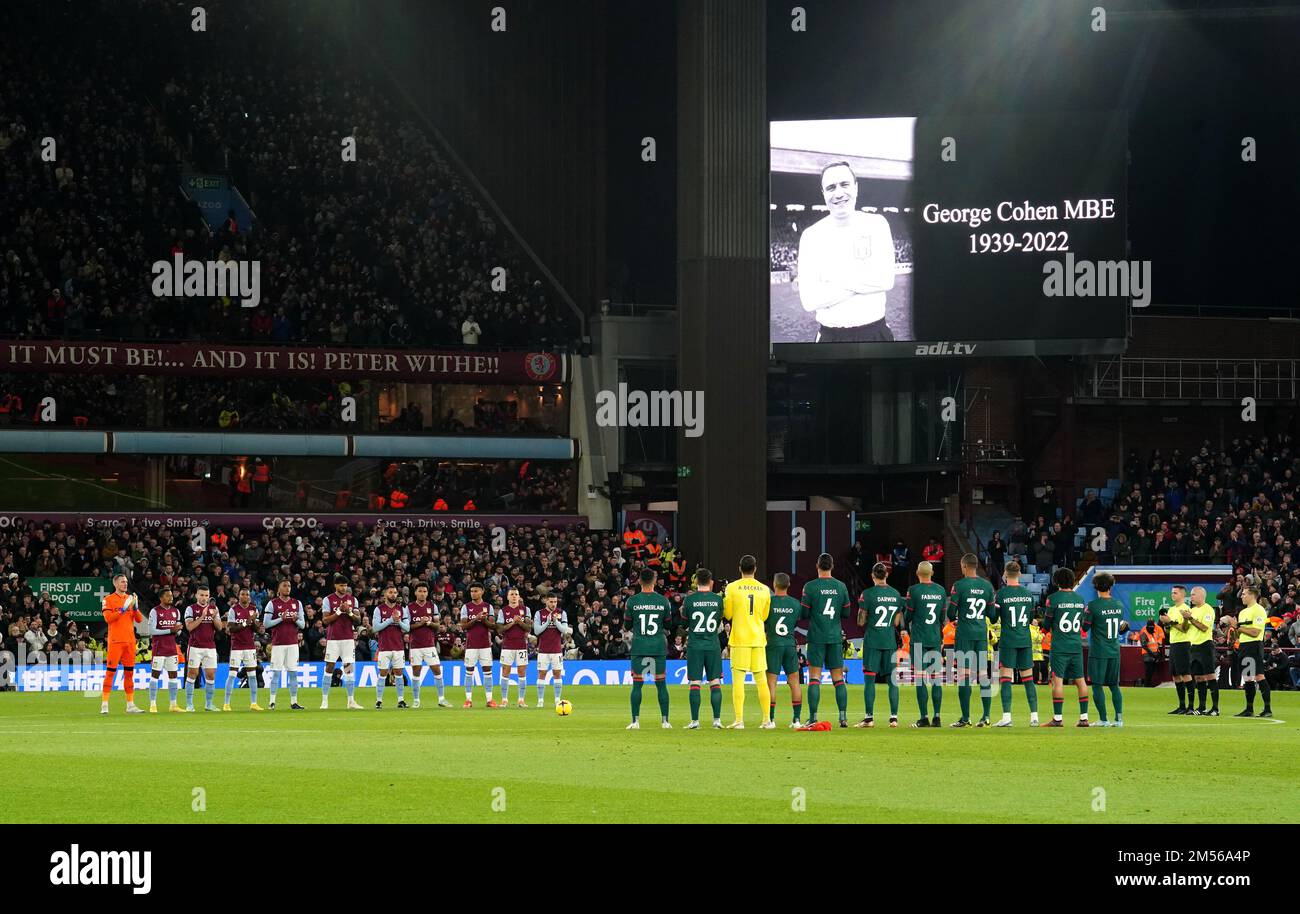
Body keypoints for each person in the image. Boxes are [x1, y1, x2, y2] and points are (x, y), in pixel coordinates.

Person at [797, 161, 897, 343]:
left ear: (856, 187)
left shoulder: (877, 224)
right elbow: (810, 301)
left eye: (844, 184)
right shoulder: (811, 236)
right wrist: (865, 277)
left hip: (876, 334)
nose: (838, 193)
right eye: (831, 187)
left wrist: (831, 279)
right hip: (830, 338)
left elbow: (886, 279)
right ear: (824, 194)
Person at [799, 553, 852, 727]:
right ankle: (843, 718)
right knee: (838, 679)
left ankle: (813, 717)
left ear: (817, 566)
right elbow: (846, 613)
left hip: (816, 637)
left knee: (814, 678)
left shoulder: (810, 587)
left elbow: (804, 613)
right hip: (835, 636)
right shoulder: (841, 586)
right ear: (832, 566)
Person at [946, 553, 996, 727]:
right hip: (981, 634)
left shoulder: (959, 585)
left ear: (964, 566)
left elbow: (951, 614)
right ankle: (986, 716)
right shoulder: (987, 586)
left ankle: (965, 718)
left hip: (965, 634)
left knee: (964, 676)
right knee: (983, 675)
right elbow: (992, 615)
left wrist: (958, 617)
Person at [722, 555, 772, 729]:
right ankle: (766, 720)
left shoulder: (732, 587)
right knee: (761, 680)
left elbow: (727, 614)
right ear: (755, 569)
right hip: (758, 638)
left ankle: (739, 720)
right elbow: (765, 616)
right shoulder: (765, 589)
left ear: (739, 568)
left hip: (740, 639)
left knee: (738, 681)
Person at [991, 562, 1039, 727]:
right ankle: (1034, 717)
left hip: (1008, 640)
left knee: (1005, 677)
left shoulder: (1001, 594)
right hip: (1024, 639)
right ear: (1019, 574)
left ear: (1005, 574)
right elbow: (1031, 616)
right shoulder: (1028, 594)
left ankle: (1007, 717)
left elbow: (993, 617)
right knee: (1028, 679)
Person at [855, 562, 902, 728]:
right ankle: (894, 718)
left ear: (872, 575)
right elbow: (896, 622)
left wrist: (865, 614)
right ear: (886, 575)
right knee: (892, 680)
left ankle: (869, 718)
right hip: (889, 641)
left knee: (869, 679)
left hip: (873, 641)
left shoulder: (867, 594)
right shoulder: (896, 594)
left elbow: (860, 622)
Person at [1042, 567, 1090, 727]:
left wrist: (1043, 629)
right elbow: (1082, 624)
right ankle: (1084, 718)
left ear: (1057, 581)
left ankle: (1057, 719)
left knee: (1058, 682)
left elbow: (1047, 623)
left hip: (1059, 646)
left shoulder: (1053, 598)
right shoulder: (1079, 599)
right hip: (1076, 645)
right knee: (1081, 681)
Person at [625, 568, 671, 729]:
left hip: (639, 646)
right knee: (661, 684)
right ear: (654, 580)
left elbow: (627, 625)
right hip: (658, 647)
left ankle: (635, 721)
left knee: (637, 684)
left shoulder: (632, 601)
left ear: (639, 581)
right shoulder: (663, 601)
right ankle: (665, 721)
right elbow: (668, 624)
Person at [904, 560, 946, 727]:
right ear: (932, 573)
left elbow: (908, 616)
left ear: (917, 573)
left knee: (921, 679)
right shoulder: (941, 590)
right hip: (935, 639)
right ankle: (937, 717)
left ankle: (924, 717)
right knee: (936, 679)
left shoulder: (913, 590)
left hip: (919, 639)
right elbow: (942, 618)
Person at [1083, 572, 1128, 727]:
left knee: (1097, 685)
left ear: (1095, 586)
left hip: (1098, 651)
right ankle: (1119, 719)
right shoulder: (1119, 605)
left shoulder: (1093, 606)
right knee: (1114, 685)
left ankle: (1103, 719)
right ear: (1111, 586)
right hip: (1114, 650)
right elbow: (1121, 627)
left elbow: (1085, 627)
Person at [683, 568, 725, 730]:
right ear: (711, 581)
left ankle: (695, 721)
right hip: (713, 645)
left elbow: (685, 622)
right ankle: (717, 721)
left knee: (695, 682)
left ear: (696, 582)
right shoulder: (717, 600)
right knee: (715, 682)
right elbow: (719, 618)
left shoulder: (689, 600)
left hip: (695, 645)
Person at [99, 573, 145, 715]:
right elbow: (108, 618)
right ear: (115, 584)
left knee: (129, 674)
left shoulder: (130, 599)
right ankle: (104, 704)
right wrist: (123, 609)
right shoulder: (108, 599)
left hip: (130, 642)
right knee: (110, 673)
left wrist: (135, 607)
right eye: (122, 582)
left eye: (126, 582)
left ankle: (130, 705)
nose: (125, 584)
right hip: (115, 642)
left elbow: (138, 620)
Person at [765, 572, 804, 729]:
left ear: (774, 585)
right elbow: (795, 622)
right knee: (794, 682)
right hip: (789, 644)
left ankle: (771, 720)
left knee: (771, 684)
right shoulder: (795, 604)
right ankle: (796, 720)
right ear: (788, 585)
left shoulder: (768, 602)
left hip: (773, 644)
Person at [320, 573, 363, 710]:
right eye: (341, 585)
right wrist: (339, 611)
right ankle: (324, 701)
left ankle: (351, 701)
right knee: (329, 668)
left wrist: (349, 612)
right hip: (333, 640)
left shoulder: (353, 600)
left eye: (345, 585)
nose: (343, 588)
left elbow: (358, 620)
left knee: (349, 669)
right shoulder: (328, 599)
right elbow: (325, 621)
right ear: (335, 586)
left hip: (348, 640)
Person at [405, 581, 450, 709]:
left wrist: (429, 623)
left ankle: (441, 699)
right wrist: (421, 623)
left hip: (430, 645)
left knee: (436, 669)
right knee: (416, 672)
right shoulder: (409, 607)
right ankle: (416, 700)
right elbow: (407, 627)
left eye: (424, 591)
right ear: (415, 593)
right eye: (420, 591)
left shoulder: (432, 606)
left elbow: (438, 626)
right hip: (415, 646)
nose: (422, 593)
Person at [262, 578, 306, 710]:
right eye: (285, 585)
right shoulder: (272, 603)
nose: (288, 588)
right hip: (278, 644)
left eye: (289, 586)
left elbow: (303, 625)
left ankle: (294, 702)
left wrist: (295, 620)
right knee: (276, 673)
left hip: (293, 644)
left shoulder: (297, 603)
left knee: (293, 673)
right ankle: (272, 702)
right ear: (279, 589)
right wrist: (281, 618)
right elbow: (266, 624)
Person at [1232, 586, 1272, 717]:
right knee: (1248, 678)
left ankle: (1267, 709)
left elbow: (1255, 632)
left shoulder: (1259, 610)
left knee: (1259, 675)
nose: (1241, 596)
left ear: (1252, 595)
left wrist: (1238, 626)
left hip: (1254, 646)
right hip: (1243, 646)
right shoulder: (1243, 612)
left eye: (1244, 594)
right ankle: (1249, 709)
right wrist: (1234, 627)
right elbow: (1239, 632)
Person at [222, 587, 264, 712]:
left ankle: (254, 703)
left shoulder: (253, 609)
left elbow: (256, 629)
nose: (245, 596)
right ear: (239, 596)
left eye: (247, 594)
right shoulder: (233, 610)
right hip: (236, 647)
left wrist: (254, 623)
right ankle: (226, 704)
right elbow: (230, 629)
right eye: (242, 594)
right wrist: (246, 622)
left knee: (252, 675)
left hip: (250, 647)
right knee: (232, 675)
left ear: (249, 596)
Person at [183, 584, 223, 712]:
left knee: (211, 675)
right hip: (195, 646)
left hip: (210, 646)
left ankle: (209, 704)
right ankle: (189, 704)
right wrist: (202, 616)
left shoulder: (214, 608)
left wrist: (212, 617)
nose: (204, 598)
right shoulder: (191, 609)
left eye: (206, 595)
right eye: (201, 595)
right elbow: (189, 627)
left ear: (209, 596)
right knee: (192, 674)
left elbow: (220, 627)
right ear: (196, 595)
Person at [459, 582, 498, 708]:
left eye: (476, 591)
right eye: (471, 591)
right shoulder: (466, 607)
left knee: (487, 671)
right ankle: (468, 700)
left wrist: (484, 619)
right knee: (469, 671)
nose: (473, 593)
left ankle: (489, 700)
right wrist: (476, 618)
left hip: (485, 644)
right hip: (471, 644)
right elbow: (463, 626)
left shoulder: (488, 607)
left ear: (482, 592)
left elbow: (493, 626)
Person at [146, 585, 183, 713]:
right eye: (168, 595)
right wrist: (170, 630)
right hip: (159, 649)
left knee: (173, 676)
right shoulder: (155, 611)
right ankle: (153, 704)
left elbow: (177, 631)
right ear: (161, 598)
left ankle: (173, 705)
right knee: (155, 676)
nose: (170, 597)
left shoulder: (176, 611)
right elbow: (152, 631)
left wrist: (178, 631)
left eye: (171, 595)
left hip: (172, 648)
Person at [1184, 585, 1219, 716]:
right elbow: (1186, 628)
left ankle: (1215, 708)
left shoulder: (1208, 609)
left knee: (1210, 675)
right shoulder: (1192, 610)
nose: (1191, 597)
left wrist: (1191, 619)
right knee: (1198, 678)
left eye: (1193, 594)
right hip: (1194, 646)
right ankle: (1202, 707)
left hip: (1205, 645)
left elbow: (1204, 627)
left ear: (1201, 596)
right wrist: (1186, 619)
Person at [532, 591, 570, 708]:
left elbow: (564, 630)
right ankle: (540, 700)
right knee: (541, 673)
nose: (553, 604)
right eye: (551, 602)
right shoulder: (539, 613)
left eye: (555, 602)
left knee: (557, 674)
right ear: (546, 601)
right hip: (543, 650)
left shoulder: (561, 613)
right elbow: (537, 631)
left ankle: (557, 700)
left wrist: (555, 622)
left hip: (556, 650)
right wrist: (548, 622)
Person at [372, 585, 407, 710]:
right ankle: (379, 701)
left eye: (395, 592)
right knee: (382, 673)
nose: (393, 594)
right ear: (385, 594)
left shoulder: (402, 609)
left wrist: (399, 621)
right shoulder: (379, 609)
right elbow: (375, 628)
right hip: (384, 647)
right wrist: (391, 620)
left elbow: (407, 628)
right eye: (391, 592)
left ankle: (401, 700)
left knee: (399, 673)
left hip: (398, 646)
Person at [497, 587, 532, 709]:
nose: (514, 596)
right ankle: (504, 699)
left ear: (519, 596)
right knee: (505, 672)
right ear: (507, 597)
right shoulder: (503, 611)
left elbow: (528, 628)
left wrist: (520, 623)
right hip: (507, 646)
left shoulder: (525, 610)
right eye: (511, 594)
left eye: (516, 594)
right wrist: (513, 622)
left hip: (522, 646)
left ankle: (521, 700)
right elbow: (500, 629)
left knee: (522, 672)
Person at [1163, 585, 1194, 714]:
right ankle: (1181, 705)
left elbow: (1184, 628)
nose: (1172, 595)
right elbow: (1168, 630)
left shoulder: (1186, 609)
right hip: (1174, 643)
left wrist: (1171, 622)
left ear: (1182, 595)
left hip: (1184, 643)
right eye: (1172, 592)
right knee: (1175, 675)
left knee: (1185, 674)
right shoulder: (1171, 609)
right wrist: (1166, 624)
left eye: (1175, 593)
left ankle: (1191, 706)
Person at [1138, 618, 1164, 687]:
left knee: (1151, 672)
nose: (1152, 627)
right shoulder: (1144, 633)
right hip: (1148, 655)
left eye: (1153, 626)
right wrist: (1152, 654)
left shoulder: (1154, 633)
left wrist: (1157, 654)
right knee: (1148, 672)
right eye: (1151, 626)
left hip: (1154, 655)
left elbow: (1156, 644)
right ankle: (1147, 685)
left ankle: (1148, 685)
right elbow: (1144, 645)